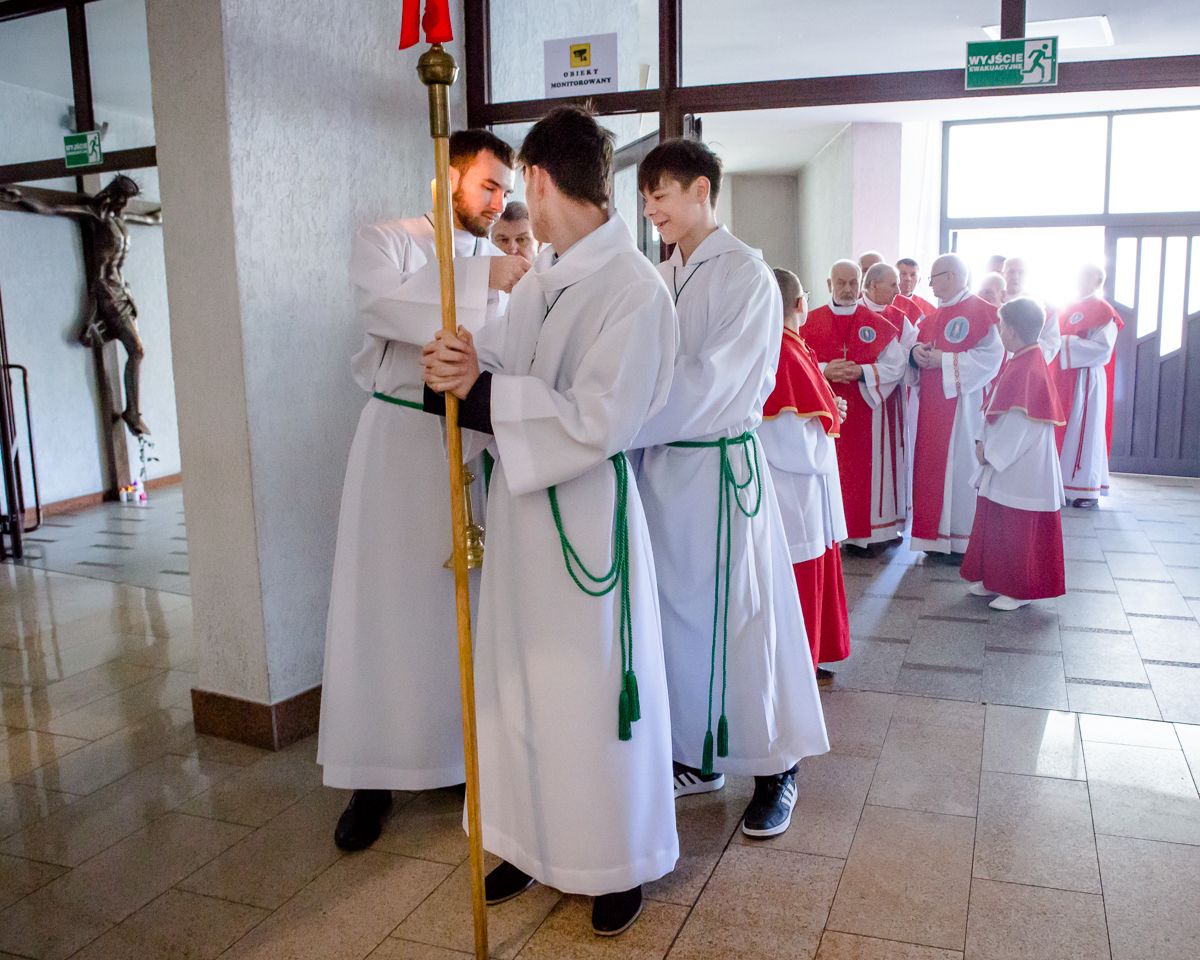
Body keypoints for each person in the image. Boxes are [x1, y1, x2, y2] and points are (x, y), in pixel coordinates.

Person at [421, 105, 678, 937]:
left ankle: (614, 861)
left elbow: (600, 419)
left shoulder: (633, 289)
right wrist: (457, 370)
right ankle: (530, 841)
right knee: (521, 687)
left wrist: (484, 392)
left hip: (587, 519)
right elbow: (496, 368)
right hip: (521, 516)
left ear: (536, 177)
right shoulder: (543, 280)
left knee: (590, 694)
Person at [317, 129, 527, 852]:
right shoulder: (388, 240)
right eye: (488, 186)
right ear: (448, 176)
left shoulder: (505, 262)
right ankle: (372, 776)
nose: (498, 203)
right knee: (385, 606)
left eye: (506, 191)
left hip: (469, 442)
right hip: (399, 441)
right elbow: (383, 309)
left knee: (463, 607)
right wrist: (485, 277)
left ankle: (462, 759)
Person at [634, 138, 828, 837]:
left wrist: (615, 421)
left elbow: (715, 380)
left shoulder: (745, 272)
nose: (651, 208)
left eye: (661, 193)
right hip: (662, 468)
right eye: (645, 197)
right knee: (676, 619)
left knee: (743, 618)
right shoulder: (660, 274)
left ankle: (776, 767)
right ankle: (698, 755)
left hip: (717, 468)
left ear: (701, 190)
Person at [2, 176, 160, 436]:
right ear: (112, 194)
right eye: (121, 197)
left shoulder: (122, 218)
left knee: (137, 350)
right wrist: (22, 199)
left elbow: (153, 218)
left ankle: (133, 411)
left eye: (127, 199)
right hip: (107, 290)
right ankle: (133, 412)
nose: (124, 203)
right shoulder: (95, 215)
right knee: (137, 350)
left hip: (123, 290)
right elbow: (52, 208)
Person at [760, 268, 851, 684]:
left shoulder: (789, 346)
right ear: (801, 303)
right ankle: (800, 662)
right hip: (793, 488)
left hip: (799, 487)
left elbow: (811, 408)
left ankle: (813, 653)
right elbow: (789, 439)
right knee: (800, 570)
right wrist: (829, 423)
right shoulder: (784, 352)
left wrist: (829, 412)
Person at [962, 297, 1066, 609]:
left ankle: (1019, 590)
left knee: (1017, 525)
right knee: (997, 521)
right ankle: (994, 579)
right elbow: (998, 409)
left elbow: (1021, 424)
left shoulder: (1029, 367)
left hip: (1021, 466)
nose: (999, 331)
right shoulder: (1022, 359)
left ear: (1011, 330)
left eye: (1001, 325)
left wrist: (990, 452)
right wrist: (983, 442)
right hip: (1007, 463)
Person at [805, 260, 908, 553]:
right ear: (829, 284)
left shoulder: (878, 324)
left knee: (863, 476)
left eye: (853, 283)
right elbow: (795, 360)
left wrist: (862, 372)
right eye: (841, 283)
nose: (847, 289)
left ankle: (866, 537)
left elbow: (896, 365)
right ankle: (830, 536)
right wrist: (824, 370)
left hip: (866, 412)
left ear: (861, 283)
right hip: (823, 413)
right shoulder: (809, 322)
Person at [908, 254, 1004, 560]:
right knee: (932, 471)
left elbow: (992, 358)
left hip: (965, 407)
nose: (930, 285)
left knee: (961, 466)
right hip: (932, 408)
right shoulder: (932, 316)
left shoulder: (983, 312)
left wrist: (945, 361)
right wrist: (916, 354)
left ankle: (961, 541)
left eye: (933, 278)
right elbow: (917, 347)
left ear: (950, 276)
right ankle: (934, 540)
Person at [1054, 264, 1124, 508]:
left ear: (1098, 281)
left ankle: (1086, 489)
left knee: (1084, 431)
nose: (1080, 279)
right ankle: (1063, 485)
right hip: (1063, 376)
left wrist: (1064, 343)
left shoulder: (1103, 310)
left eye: (1086, 276)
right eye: (1079, 274)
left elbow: (1103, 349)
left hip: (1085, 378)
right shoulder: (1067, 307)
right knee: (1064, 430)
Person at [1003, 256, 1060, 362]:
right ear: (1003, 274)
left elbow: (1052, 343)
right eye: (1011, 271)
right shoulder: (990, 302)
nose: (1015, 276)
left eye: (1021, 272)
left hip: (1026, 366)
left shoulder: (1044, 307)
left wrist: (1026, 354)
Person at [896, 256, 937, 321]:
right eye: (903, 274)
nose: (908, 279)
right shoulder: (884, 302)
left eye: (913, 275)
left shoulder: (928, 308)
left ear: (919, 280)